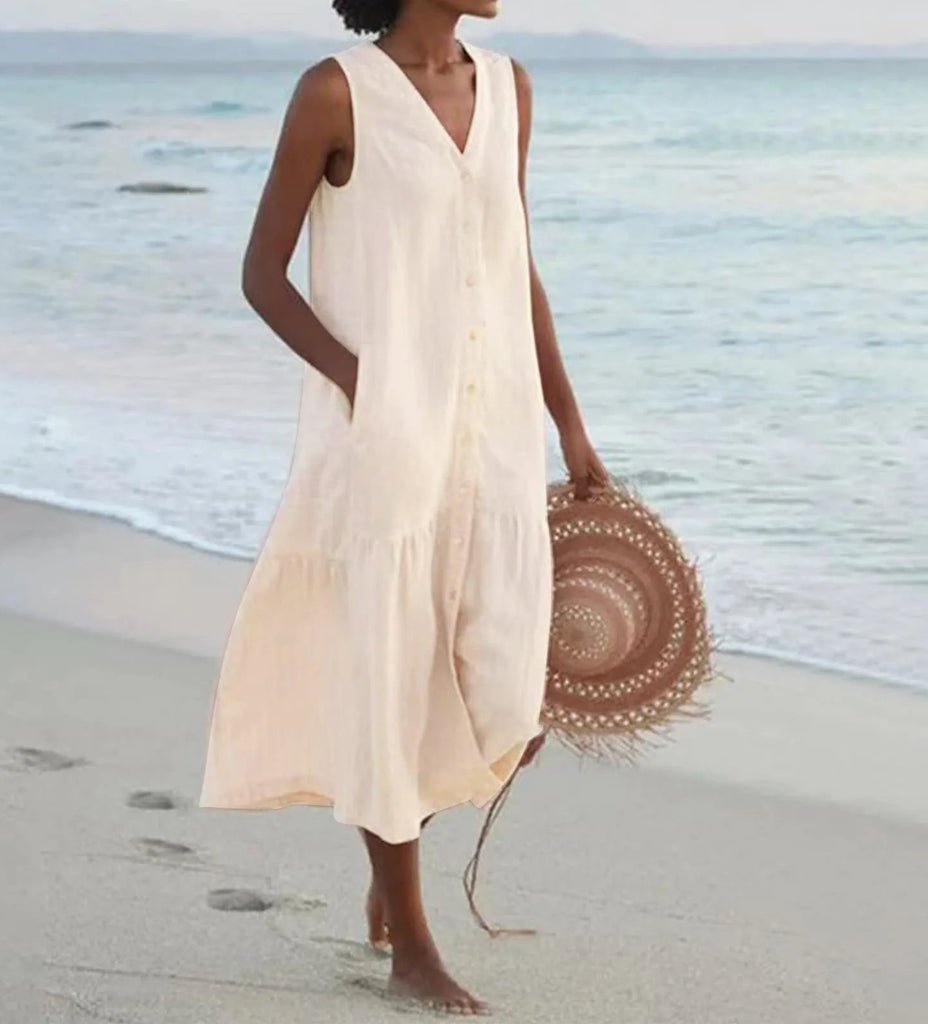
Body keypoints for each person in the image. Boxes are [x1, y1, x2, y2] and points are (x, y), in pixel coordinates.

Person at [198, 0, 609, 1014]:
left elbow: (515, 268)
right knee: (392, 674)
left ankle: (390, 877)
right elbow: (262, 274)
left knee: (506, 685)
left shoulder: (506, 86)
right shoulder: (335, 94)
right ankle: (410, 944)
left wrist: (570, 423)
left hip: (496, 435)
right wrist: (364, 386)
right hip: (388, 446)